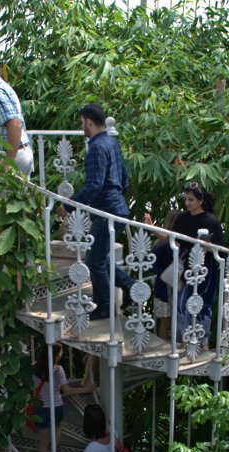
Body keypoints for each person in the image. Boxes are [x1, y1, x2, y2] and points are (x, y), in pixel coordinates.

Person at [57, 103, 136, 321]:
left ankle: (105, 307)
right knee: (100, 258)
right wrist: (118, 199)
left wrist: (68, 205)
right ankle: (129, 286)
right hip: (117, 209)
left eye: (82, 122)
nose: (82, 126)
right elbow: (124, 178)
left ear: (88, 121)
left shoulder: (96, 148)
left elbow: (94, 185)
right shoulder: (112, 142)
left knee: (94, 261)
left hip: (107, 211)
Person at [172, 182, 225, 348]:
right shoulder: (182, 218)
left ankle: (203, 341)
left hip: (205, 268)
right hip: (187, 266)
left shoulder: (211, 222)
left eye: (191, 199)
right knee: (182, 304)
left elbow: (222, 251)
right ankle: (186, 337)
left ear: (200, 201)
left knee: (202, 304)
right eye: (186, 199)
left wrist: (207, 247)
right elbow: (176, 240)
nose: (188, 203)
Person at [31, 342, 97, 452]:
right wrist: (87, 389)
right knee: (57, 427)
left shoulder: (34, 367)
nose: (62, 354)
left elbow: (34, 389)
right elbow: (67, 391)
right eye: (61, 352)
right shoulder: (58, 369)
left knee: (43, 443)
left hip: (40, 408)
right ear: (55, 354)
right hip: (56, 406)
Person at [145, 210, 182, 338]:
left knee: (171, 321)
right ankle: (165, 347)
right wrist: (166, 274)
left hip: (173, 287)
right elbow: (152, 265)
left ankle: (169, 346)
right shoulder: (162, 245)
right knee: (165, 322)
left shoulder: (176, 242)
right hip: (164, 288)